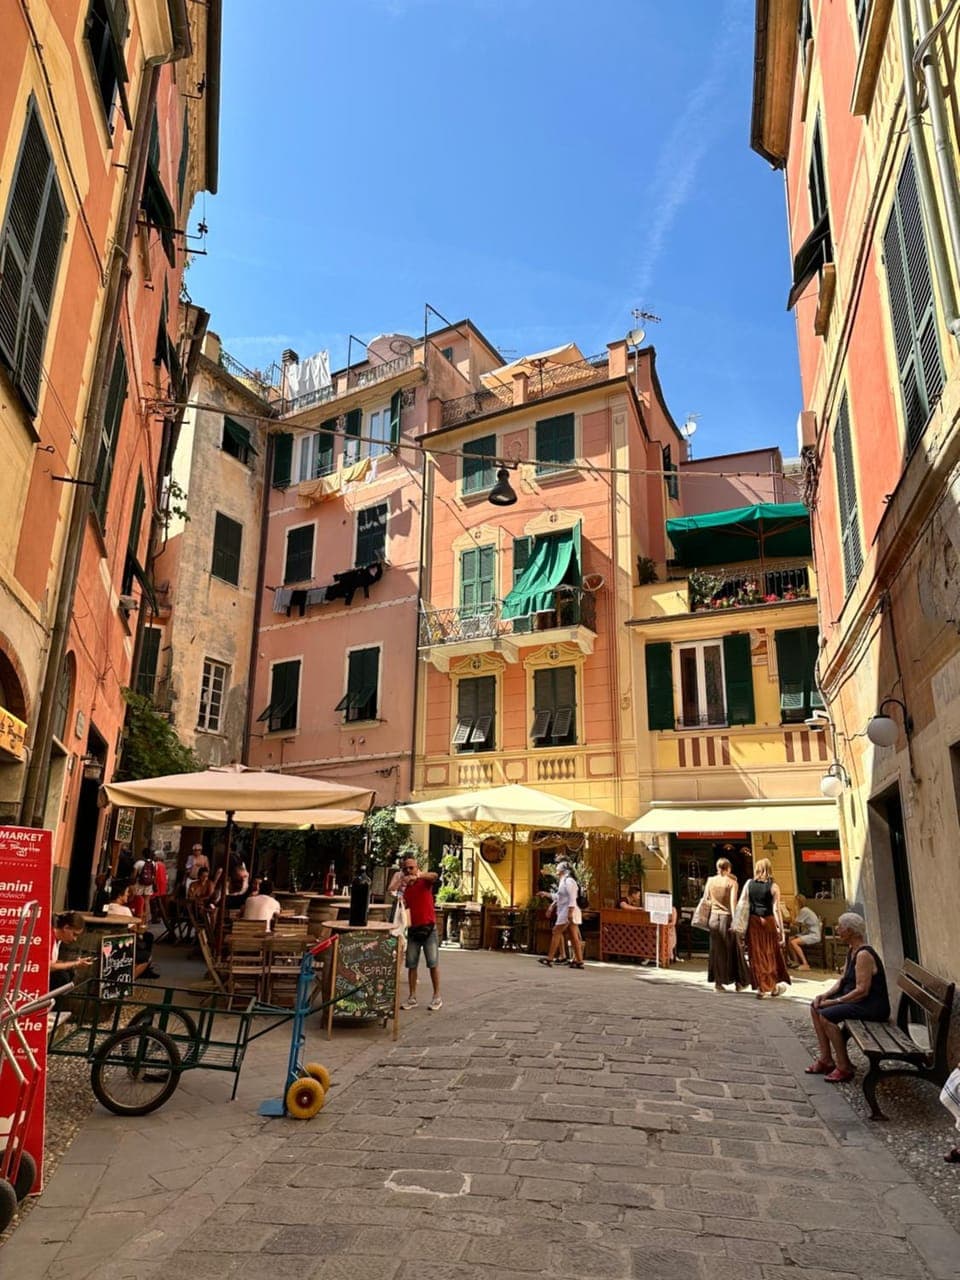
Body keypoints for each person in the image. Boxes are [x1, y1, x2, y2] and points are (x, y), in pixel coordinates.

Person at [807, 912, 890, 1083]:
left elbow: (862, 990)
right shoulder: (852, 950)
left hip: (871, 1005)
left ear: (850, 931)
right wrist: (825, 995)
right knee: (815, 1007)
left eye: (841, 927)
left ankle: (844, 1067)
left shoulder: (864, 955)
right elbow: (842, 980)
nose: (837, 929)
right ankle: (826, 1059)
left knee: (826, 1016)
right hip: (858, 1000)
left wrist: (835, 1001)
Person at [388, 855, 442, 1011]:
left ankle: (437, 997)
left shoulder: (424, 882)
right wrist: (401, 881)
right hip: (413, 929)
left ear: (417, 868)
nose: (409, 871)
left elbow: (435, 876)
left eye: (411, 867)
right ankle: (412, 997)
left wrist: (418, 875)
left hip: (429, 928)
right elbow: (392, 891)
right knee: (412, 965)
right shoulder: (405, 890)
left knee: (433, 963)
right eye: (406, 869)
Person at [740, 857, 790, 998]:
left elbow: (743, 903)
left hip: (753, 922)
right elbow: (776, 909)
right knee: (770, 953)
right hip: (768, 922)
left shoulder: (749, 884)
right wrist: (781, 930)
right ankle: (771, 986)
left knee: (756, 955)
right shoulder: (774, 887)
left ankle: (762, 988)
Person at [703, 857, 748, 992]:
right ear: (728, 868)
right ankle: (739, 983)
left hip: (713, 918)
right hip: (726, 918)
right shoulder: (732, 883)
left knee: (716, 952)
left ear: (717, 867)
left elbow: (706, 899)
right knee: (734, 951)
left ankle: (718, 983)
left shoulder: (710, 881)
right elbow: (733, 905)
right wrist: (736, 922)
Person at [102, 882, 159, 979]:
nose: (128, 894)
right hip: (121, 945)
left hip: (106, 941)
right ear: (119, 895)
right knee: (147, 956)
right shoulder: (125, 910)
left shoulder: (105, 907)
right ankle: (128, 978)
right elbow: (133, 930)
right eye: (126, 892)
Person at [539, 861, 585, 969]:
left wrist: (570, 913)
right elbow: (559, 897)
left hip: (568, 911)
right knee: (573, 936)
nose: (556, 869)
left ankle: (550, 958)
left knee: (556, 931)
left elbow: (572, 898)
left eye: (558, 867)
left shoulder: (569, 881)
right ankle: (579, 961)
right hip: (567, 910)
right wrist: (547, 894)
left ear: (563, 870)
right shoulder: (563, 881)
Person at [50, 912, 94, 982]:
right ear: (66, 928)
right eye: (74, 934)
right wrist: (75, 963)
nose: (75, 939)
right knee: (62, 976)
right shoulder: (49, 937)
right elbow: (48, 967)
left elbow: (54, 962)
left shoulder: (59, 941)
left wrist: (75, 962)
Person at [787, 894, 822, 970]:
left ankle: (805, 964)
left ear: (798, 902)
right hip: (809, 933)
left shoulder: (804, 910)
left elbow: (795, 922)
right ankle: (796, 962)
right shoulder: (805, 910)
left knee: (793, 942)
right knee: (790, 940)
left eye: (795, 902)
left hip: (813, 935)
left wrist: (790, 912)